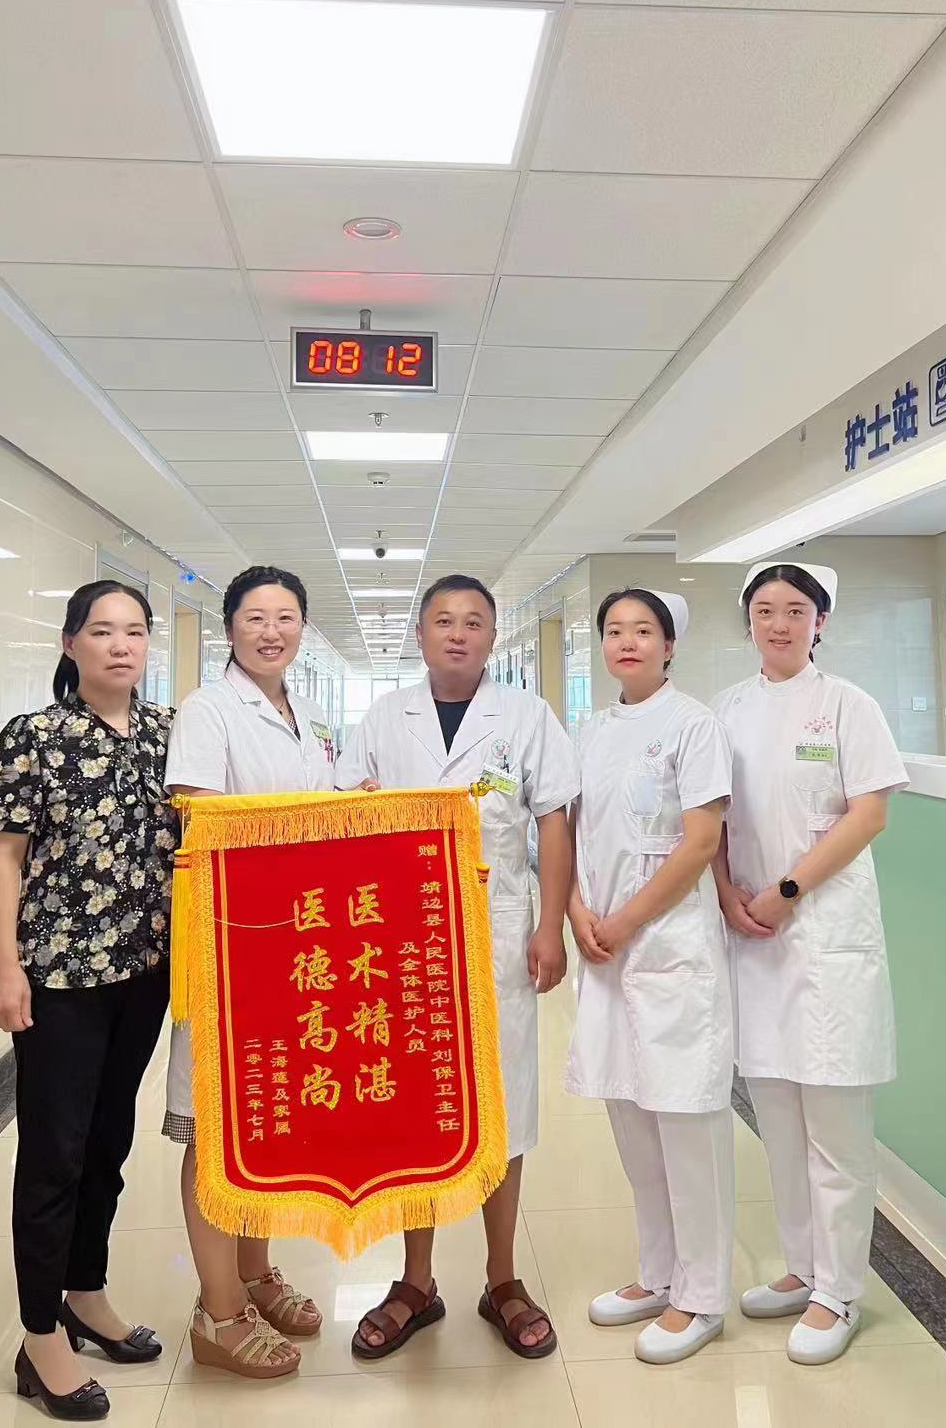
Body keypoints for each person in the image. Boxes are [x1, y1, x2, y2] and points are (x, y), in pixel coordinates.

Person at [336, 573, 579, 1361]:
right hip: (405, 938)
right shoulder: (385, 715)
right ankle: (416, 1281)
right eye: (443, 619)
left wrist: (550, 925)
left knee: (502, 1103)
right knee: (417, 1106)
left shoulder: (527, 716)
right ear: (420, 633)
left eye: (474, 621)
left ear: (492, 637)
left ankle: (502, 1279)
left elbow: (553, 822)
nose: (458, 633)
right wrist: (362, 802)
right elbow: (343, 813)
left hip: (499, 928)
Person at [0, 581, 177, 1421]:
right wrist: (4, 968)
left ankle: (85, 1293)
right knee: (54, 1152)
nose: (120, 645)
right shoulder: (34, 736)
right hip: (59, 978)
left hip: (145, 972)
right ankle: (39, 1336)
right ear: (71, 644)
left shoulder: (169, 733)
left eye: (134, 630)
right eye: (102, 631)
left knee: (108, 1141)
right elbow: (4, 858)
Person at [712, 561, 909, 1365]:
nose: (779, 623)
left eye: (796, 610)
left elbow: (870, 813)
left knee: (834, 1127)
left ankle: (841, 1289)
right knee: (778, 1118)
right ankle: (802, 1268)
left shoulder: (848, 705)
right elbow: (711, 817)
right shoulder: (726, 708)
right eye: (765, 609)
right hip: (754, 935)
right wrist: (728, 893)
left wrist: (787, 889)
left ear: (820, 621)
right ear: (749, 621)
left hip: (824, 934)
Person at [164, 565, 336, 1381]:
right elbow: (202, 814)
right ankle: (219, 1309)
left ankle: (257, 1273)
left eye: (287, 616)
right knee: (215, 1127)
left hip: (292, 946)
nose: (272, 631)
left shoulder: (308, 716)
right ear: (229, 626)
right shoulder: (208, 708)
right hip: (230, 941)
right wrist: (310, 823)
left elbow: (323, 812)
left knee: (264, 1115)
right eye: (256, 617)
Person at [566, 589, 735, 1366]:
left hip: (667, 944)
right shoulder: (592, 729)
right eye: (614, 630)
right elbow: (569, 832)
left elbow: (700, 842)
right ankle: (658, 1273)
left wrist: (626, 920)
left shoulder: (694, 725)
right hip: (604, 945)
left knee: (686, 1124)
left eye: (643, 630)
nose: (627, 641)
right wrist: (576, 912)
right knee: (632, 1118)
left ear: (670, 645)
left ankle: (702, 1295)